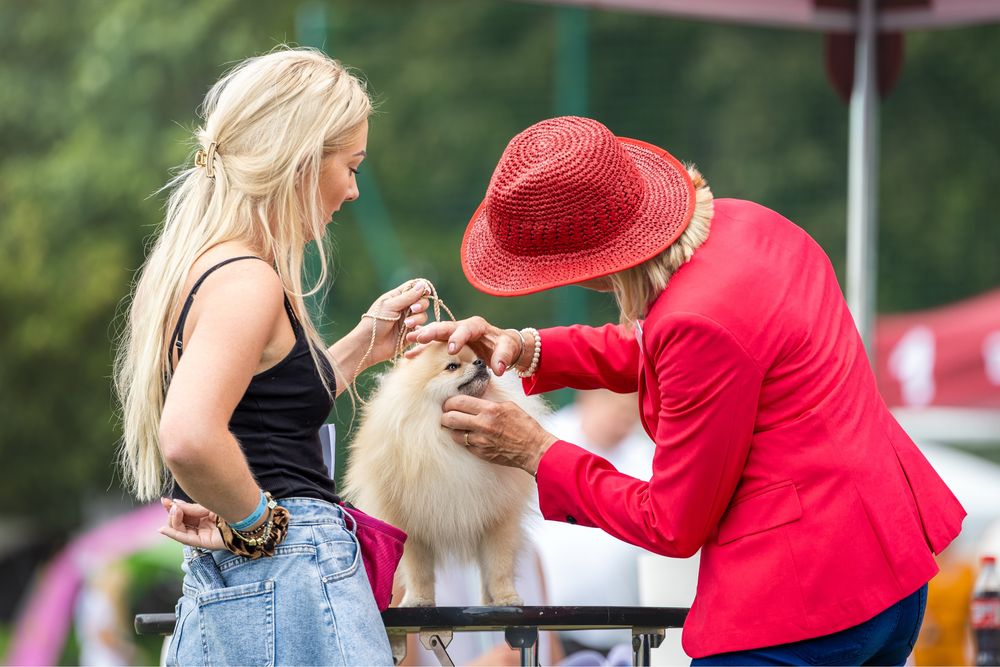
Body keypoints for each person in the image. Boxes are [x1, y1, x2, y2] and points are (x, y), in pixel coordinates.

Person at [410, 115, 967, 665]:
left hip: (800, 607)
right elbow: (672, 351)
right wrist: (529, 347)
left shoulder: (696, 323)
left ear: (586, 268)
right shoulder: (750, 224)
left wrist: (538, 452)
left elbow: (670, 522)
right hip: (888, 569)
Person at [113, 47, 431, 666]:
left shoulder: (204, 269)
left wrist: (365, 343)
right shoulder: (249, 280)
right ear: (301, 161)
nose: (353, 189)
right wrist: (263, 526)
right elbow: (189, 435)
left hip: (245, 579)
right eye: (350, 165)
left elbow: (265, 414)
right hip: (292, 571)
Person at [533, 389, 654, 657]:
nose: (620, 417)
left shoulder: (647, 457)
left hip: (625, 632)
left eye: (629, 410)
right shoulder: (546, 437)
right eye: (613, 404)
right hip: (554, 629)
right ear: (587, 396)